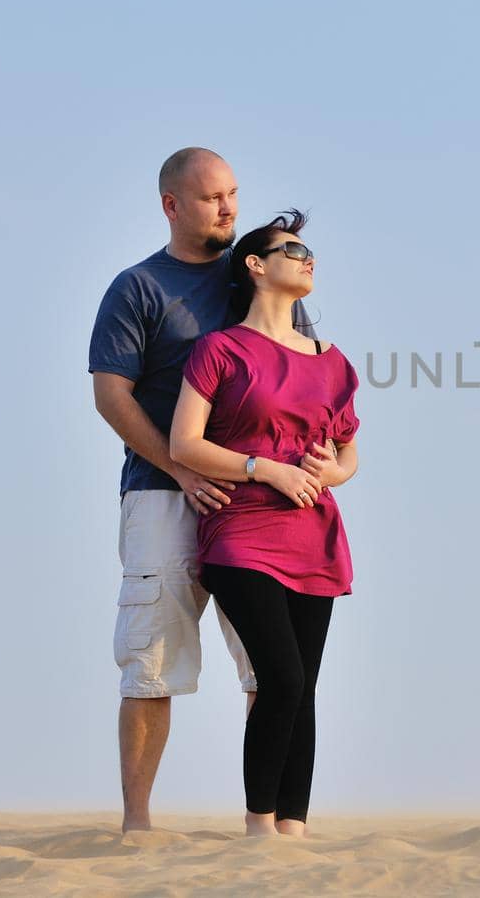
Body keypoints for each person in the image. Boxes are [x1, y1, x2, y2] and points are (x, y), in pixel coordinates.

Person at [89, 147, 329, 834]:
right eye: (209, 197)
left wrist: (312, 468)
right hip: (162, 498)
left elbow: (303, 375)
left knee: (272, 670)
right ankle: (137, 824)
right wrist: (181, 468)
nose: (227, 208)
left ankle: (268, 826)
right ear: (172, 205)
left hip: (258, 507)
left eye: (232, 194)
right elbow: (112, 396)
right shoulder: (138, 287)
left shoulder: (256, 279)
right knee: (152, 659)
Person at [168, 208, 361, 838]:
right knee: (279, 676)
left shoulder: (333, 362)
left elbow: (348, 453)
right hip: (241, 531)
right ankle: (257, 830)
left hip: (315, 538)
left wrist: (330, 472)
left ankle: (292, 834)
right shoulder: (220, 350)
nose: (307, 259)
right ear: (255, 264)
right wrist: (265, 470)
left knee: (302, 688)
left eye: (310, 252)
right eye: (291, 249)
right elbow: (184, 445)